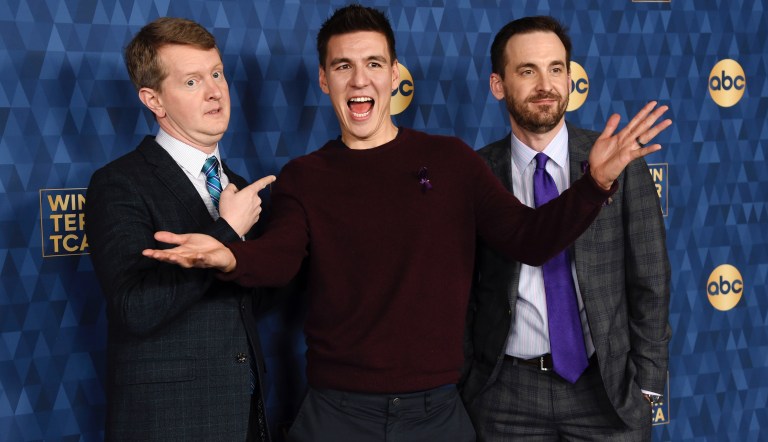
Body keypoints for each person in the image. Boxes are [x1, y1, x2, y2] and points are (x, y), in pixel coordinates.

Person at [142, 5, 671, 441]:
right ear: (325, 80)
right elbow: (280, 257)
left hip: (437, 414)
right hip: (336, 414)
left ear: (394, 76)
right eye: (343, 66)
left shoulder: (453, 162)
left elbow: (528, 238)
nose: (360, 77)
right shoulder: (306, 176)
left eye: (374, 63)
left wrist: (595, 184)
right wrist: (230, 253)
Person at [460, 16, 672, 441]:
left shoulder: (620, 164)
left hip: (606, 392)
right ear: (497, 85)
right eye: (527, 71)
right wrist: (469, 381)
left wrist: (647, 388)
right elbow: (460, 291)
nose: (546, 84)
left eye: (556, 69)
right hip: (506, 395)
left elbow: (650, 280)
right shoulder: (475, 174)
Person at [85, 17, 276, 441]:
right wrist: (226, 231)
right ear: (153, 99)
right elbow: (135, 307)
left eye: (217, 73)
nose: (215, 91)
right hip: (168, 422)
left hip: (245, 418)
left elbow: (249, 305)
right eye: (191, 82)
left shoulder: (238, 186)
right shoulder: (119, 183)